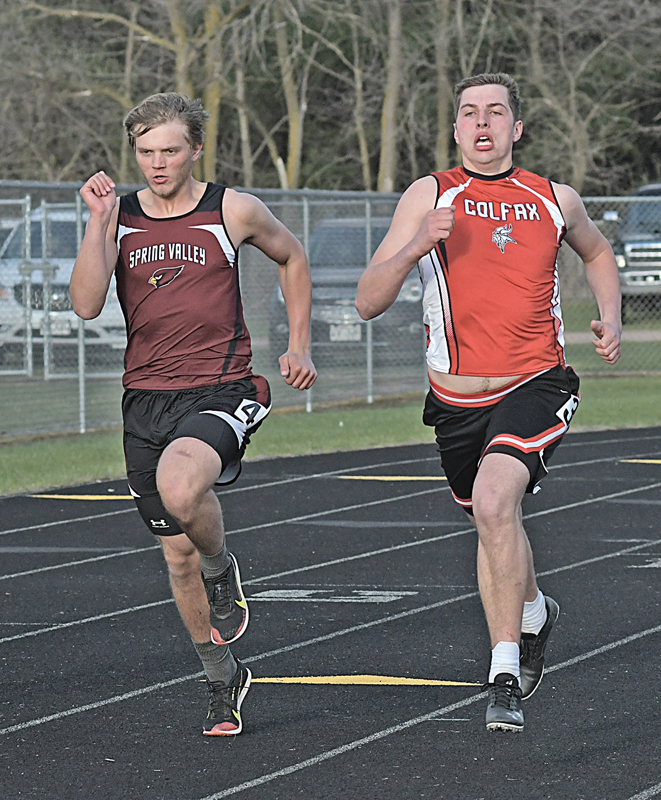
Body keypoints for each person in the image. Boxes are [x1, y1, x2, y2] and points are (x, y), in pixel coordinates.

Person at [355, 73, 621, 732]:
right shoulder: (430, 194)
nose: (482, 123)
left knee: (496, 501)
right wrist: (417, 243)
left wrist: (610, 316)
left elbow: (596, 251)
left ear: (515, 127)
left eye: (494, 112)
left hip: (536, 381)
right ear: (454, 129)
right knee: (488, 520)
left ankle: (502, 671)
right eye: (469, 112)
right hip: (454, 399)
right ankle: (531, 611)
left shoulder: (552, 197)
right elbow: (367, 300)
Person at [70, 92, 316, 736]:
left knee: (183, 488)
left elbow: (292, 257)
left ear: (195, 149)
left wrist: (298, 342)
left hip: (223, 386)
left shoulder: (231, 209)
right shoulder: (118, 217)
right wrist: (97, 224)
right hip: (145, 398)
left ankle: (221, 566)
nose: (157, 163)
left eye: (170, 150)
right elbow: (87, 305)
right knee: (174, 557)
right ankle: (221, 676)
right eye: (146, 152)